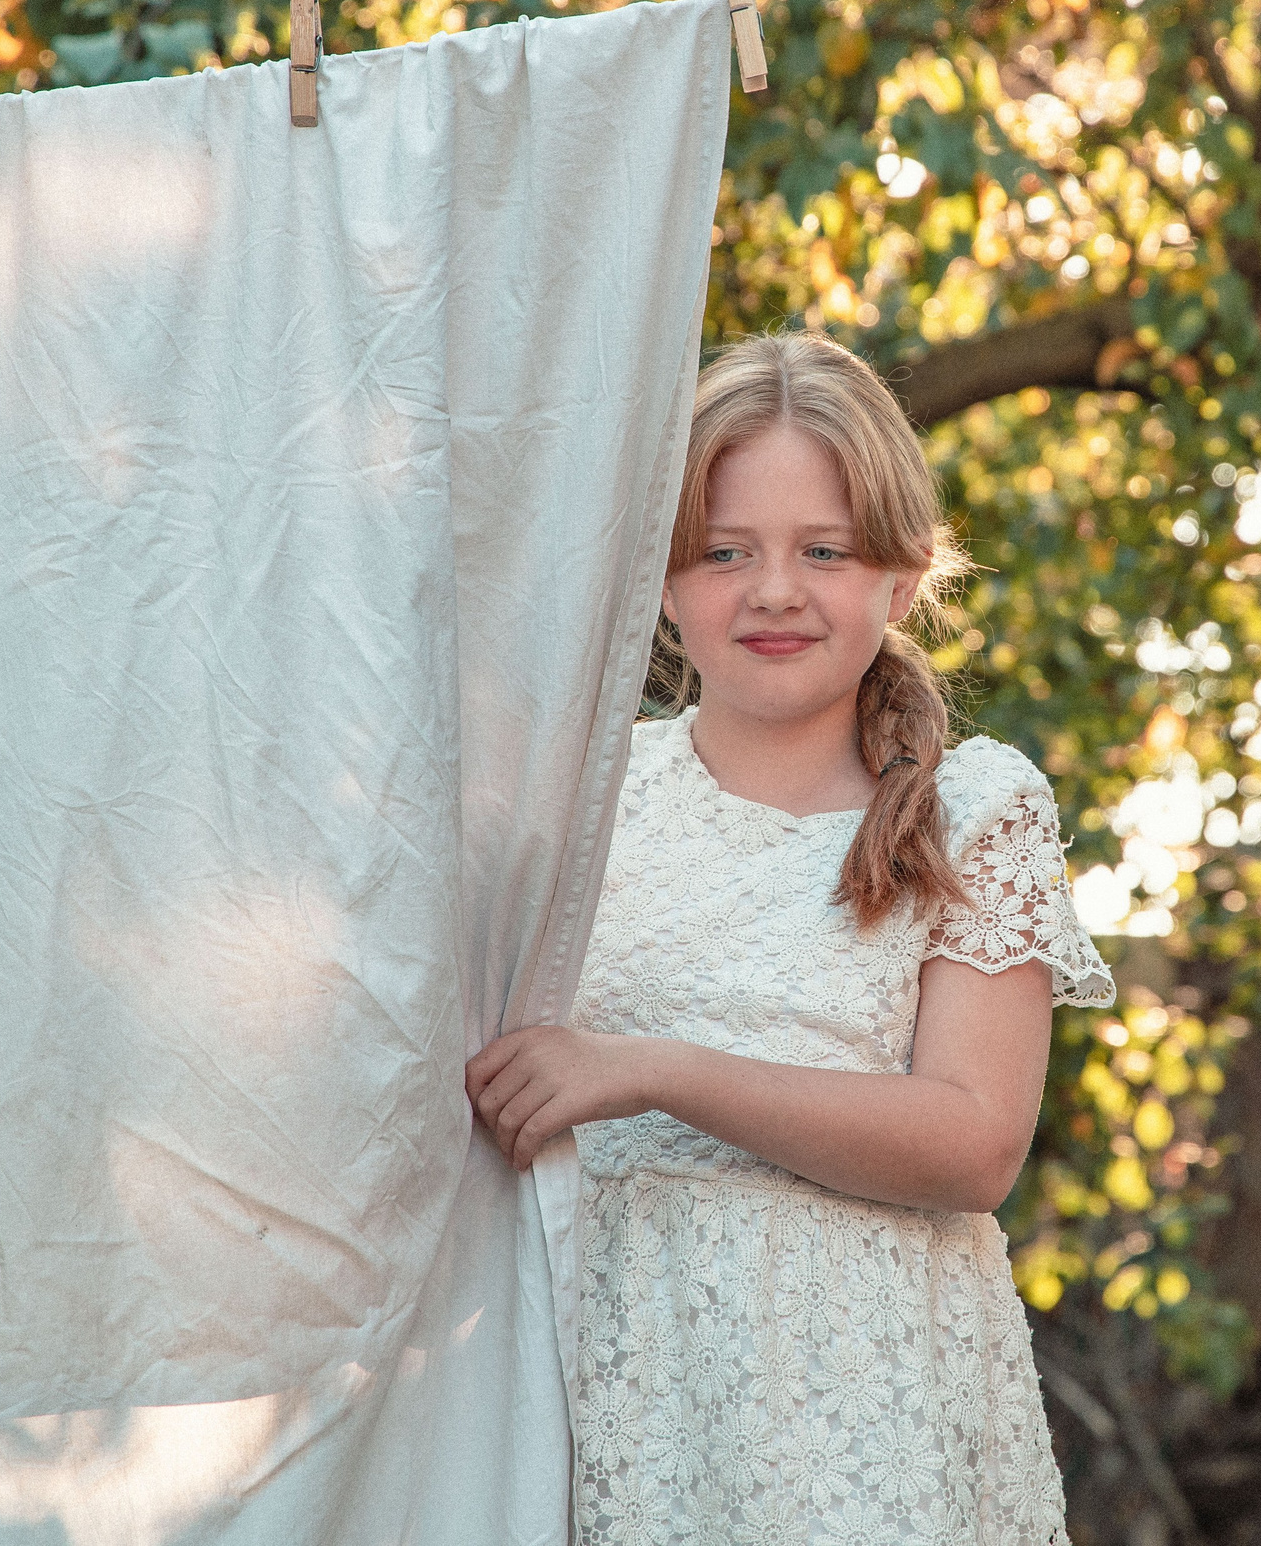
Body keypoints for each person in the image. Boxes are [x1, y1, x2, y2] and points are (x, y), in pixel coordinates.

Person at [464, 330, 1117, 1544]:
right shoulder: (570, 807)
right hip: (603, 1383)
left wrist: (647, 1069)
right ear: (660, 579)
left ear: (902, 577)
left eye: (824, 550)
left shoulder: (975, 810)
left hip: (866, 1410)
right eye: (723, 553)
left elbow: (974, 1142)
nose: (772, 590)